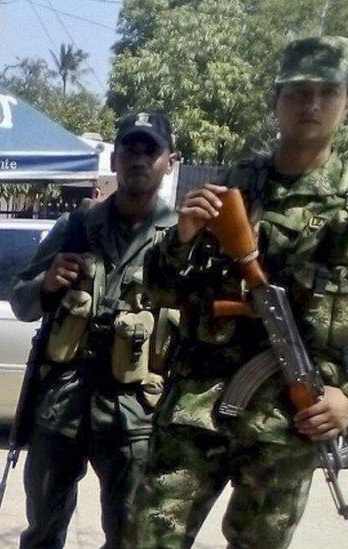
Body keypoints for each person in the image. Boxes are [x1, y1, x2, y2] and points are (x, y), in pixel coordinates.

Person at [128, 37, 348, 548]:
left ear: (344, 101)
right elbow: (157, 289)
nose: (310, 105)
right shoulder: (233, 187)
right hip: (197, 409)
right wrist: (181, 237)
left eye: (326, 92)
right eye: (297, 93)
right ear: (275, 103)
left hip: (293, 423)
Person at [8, 110, 179, 548]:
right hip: (61, 405)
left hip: (135, 416)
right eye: (130, 148)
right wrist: (46, 285)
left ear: (169, 161)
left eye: (151, 150)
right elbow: (20, 301)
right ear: (115, 157)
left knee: (129, 536)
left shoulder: (181, 238)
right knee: (43, 530)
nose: (139, 159)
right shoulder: (77, 227)